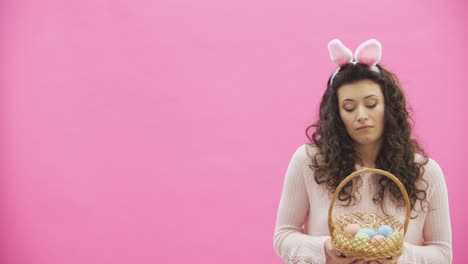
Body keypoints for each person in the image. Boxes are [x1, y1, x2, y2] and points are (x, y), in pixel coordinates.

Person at [273, 39, 452, 264]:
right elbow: (283, 235)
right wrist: (325, 249)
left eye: (371, 104)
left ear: (388, 107)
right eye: (349, 107)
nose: (361, 115)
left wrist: (400, 257)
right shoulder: (309, 161)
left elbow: (443, 253)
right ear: (337, 115)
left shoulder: (426, 173)